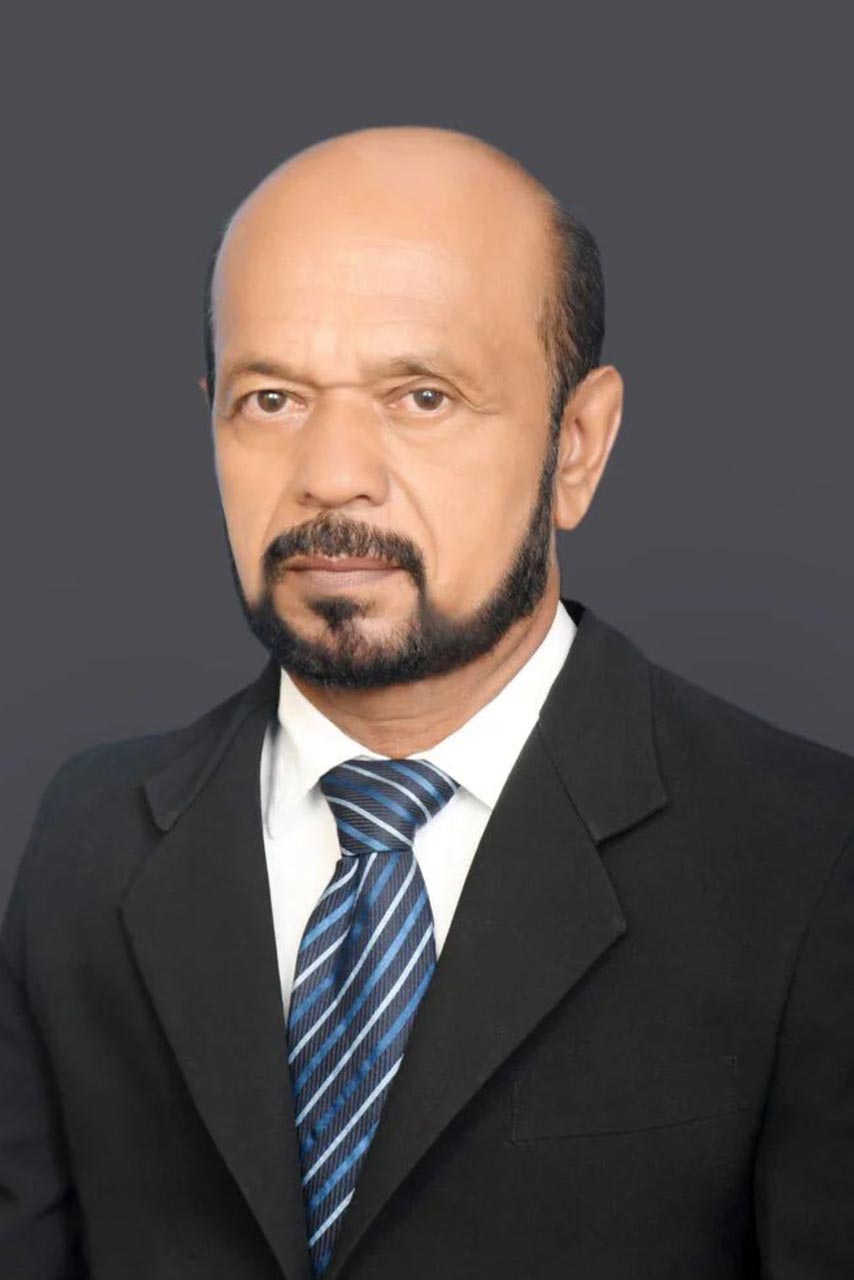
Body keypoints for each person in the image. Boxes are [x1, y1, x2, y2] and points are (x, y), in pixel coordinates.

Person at [1, 124, 852, 1280]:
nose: (330, 473)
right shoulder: (87, 842)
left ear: (576, 445)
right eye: (269, 398)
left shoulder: (805, 858)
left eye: (421, 395)